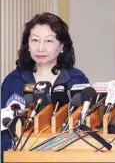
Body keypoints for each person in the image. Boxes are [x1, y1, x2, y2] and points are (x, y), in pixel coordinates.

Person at [1, 12, 89, 155]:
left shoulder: (76, 79)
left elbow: (82, 126)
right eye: (35, 40)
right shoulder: (13, 80)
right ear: (27, 45)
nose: (40, 48)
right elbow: (3, 130)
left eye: (48, 41)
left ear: (61, 46)